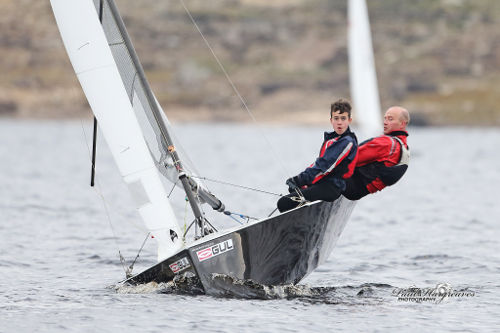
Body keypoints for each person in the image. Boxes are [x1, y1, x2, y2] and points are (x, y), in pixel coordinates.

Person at [277, 99, 358, 213]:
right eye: (336, 118)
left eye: (343, 118)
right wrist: (302, 182)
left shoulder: (347, 141)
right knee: (294, 190)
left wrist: (299, 180)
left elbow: (324, 167)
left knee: (283, 203)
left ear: (349, 120)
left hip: (332, 188)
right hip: (324, 184)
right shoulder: (333, 139)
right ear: (331, 120)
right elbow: (317, 164)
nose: (339, 122)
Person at [343, 106, 410, 200]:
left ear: (402, 124)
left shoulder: (386, 143)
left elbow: (351, 158)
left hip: (351, 186)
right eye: (385, 118)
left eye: (390, 119)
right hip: (358, 192)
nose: (385, 122)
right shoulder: (404, 146)